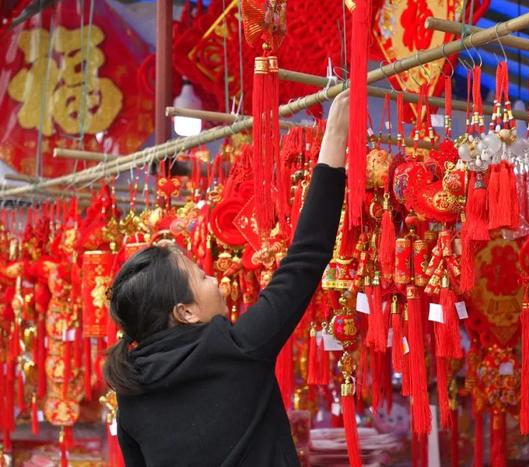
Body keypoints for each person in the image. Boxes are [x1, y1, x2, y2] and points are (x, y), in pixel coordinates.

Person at [104, 90, 350, 467]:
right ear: (184, 312)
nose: (216, 281)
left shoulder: (131, 397)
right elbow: (304, 260)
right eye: (202, 277)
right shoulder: (236, 349)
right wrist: (335, 140)